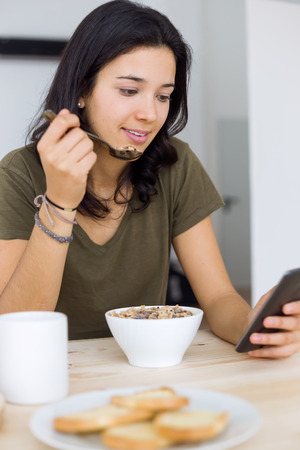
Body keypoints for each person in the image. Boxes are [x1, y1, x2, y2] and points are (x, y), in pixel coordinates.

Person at [0, 0, 299, 358]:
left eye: (163, 96)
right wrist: (60, 202)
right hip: (47, 373)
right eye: (129, 90)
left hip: (146, 371)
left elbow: (219, 297)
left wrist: (255, 327)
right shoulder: (18, 175)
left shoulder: (175, 164)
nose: (149, 114)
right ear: (81, 89)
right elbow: (14, 327)